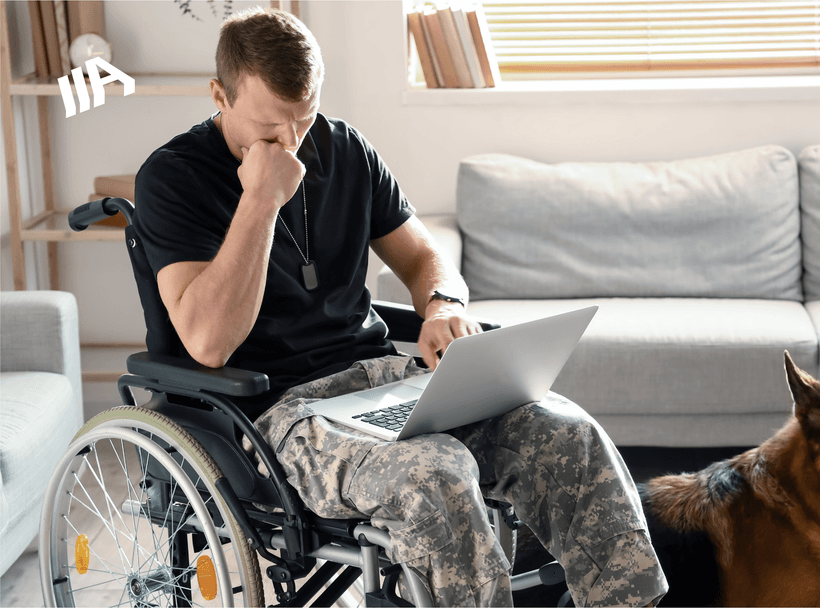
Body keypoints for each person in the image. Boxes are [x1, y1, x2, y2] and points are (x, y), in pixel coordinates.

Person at [134, 7, 666, 607]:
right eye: (268, 131)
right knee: (436, 477)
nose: (292, 145)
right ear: (219, 95)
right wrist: (259, 200)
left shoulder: (347, 149)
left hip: (383, 381)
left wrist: (441, 305)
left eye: (303, 123)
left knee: (567, 432)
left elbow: (421, 259)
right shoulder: (172, 178)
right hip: (276, 414)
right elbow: (208, 342)